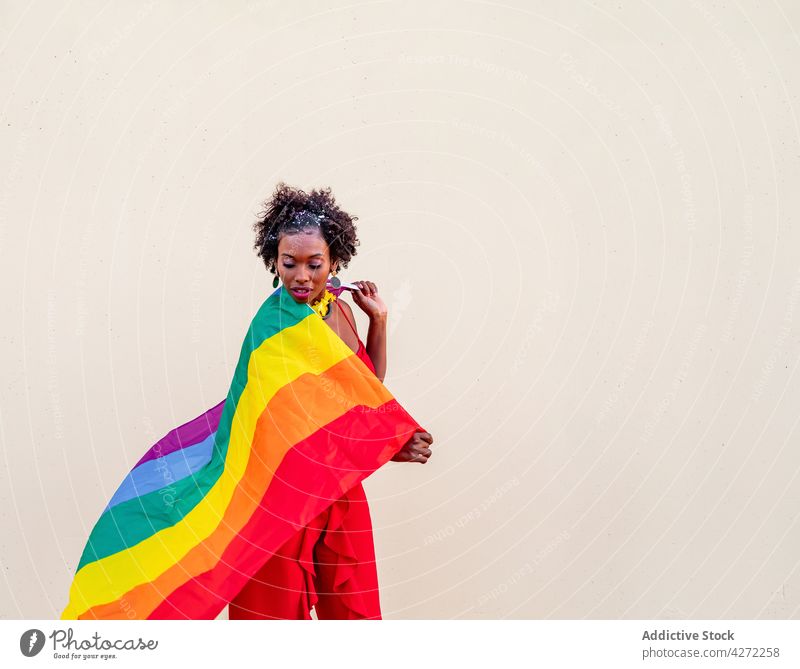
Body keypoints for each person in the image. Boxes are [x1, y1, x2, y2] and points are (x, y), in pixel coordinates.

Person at [227, 183, 433, 620]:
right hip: (284, 492)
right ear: (274, 263)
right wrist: (389, 447)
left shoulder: (337, 309)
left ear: (334, 262)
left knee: (354, 610)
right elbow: (292, 423)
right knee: (276, 618)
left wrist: (377, 319)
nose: (301, 276)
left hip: (338, 488)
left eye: (314, 264)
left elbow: (366, 384)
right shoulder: (274, 327)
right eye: (289, 263)